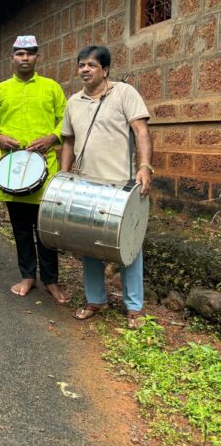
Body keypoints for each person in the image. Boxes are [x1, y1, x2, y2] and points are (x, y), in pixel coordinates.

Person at [61, 45, 152, 329]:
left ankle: (134, 306)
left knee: (129, 246)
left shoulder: (125, 93)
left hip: (123, 186)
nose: (84, 70)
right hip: (86, 186)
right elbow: (67, 140)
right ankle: (95, 299)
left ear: (105, 70)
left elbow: (141, 131)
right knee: (88, 243)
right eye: (81, 65)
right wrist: (64, 175)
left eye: (90, 65)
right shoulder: (73, 101)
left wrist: (145, 166)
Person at [0, 35, 70, 304]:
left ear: (37, 57)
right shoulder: (1, 90)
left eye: (30, 53)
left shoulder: (51, 88)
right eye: (19, 53)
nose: (24, 58)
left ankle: (51, 281)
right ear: (12, 57)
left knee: (46, 230)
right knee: (20, 228)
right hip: (11, 171)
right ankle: (27, 276)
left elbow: (65, 121)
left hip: (45, 172)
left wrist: (52, 138)